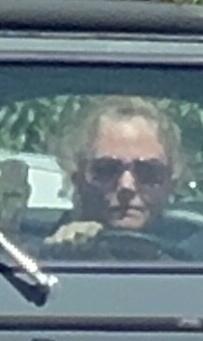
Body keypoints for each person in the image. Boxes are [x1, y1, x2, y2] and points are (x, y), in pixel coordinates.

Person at [44, 96, 186, 257]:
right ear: (79, 180)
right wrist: (62, 253)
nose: (126, 185)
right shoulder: (33, 263)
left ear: (171, 184)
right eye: (106, 170)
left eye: (148, 172)